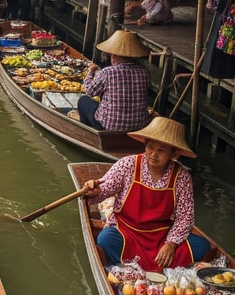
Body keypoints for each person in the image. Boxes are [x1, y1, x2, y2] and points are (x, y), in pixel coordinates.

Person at [82, 116, 211, 271]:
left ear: (174, 154)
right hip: (127, 231)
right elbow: (105, 187)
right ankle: (134, 270)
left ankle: (137, 266)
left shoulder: (182, 177)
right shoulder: (128, 164)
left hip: (161, 236)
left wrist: (170, 244)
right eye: (150, 147)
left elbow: (185, 217)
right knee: (105, 239)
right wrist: (94, 191)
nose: (153, 154)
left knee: (202, 246)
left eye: (161, 150)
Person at [76, 30, 152, 133]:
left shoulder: (108, 72)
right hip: (139, 125)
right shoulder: (145, 72)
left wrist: (91, 71)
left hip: (110, 126)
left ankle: (88, 133)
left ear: (114, 56)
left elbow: (89, 91)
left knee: (83, 100)